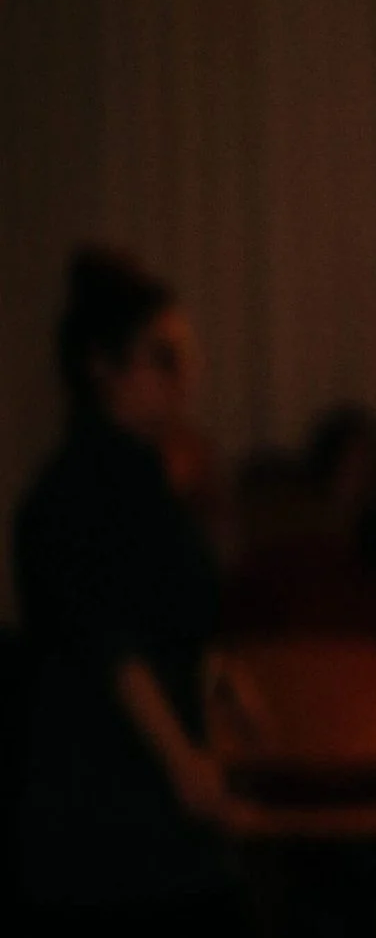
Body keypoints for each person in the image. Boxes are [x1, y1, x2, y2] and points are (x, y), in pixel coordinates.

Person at [11, 249, 247, 935]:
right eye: (163, 358)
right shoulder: (77, 490)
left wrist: (226, 689)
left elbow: (178, 616)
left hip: (149, 810)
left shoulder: (150, 483)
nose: (185, 377)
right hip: (109, 812)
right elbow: (107, 640)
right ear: (102, 366)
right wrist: (182, 758)